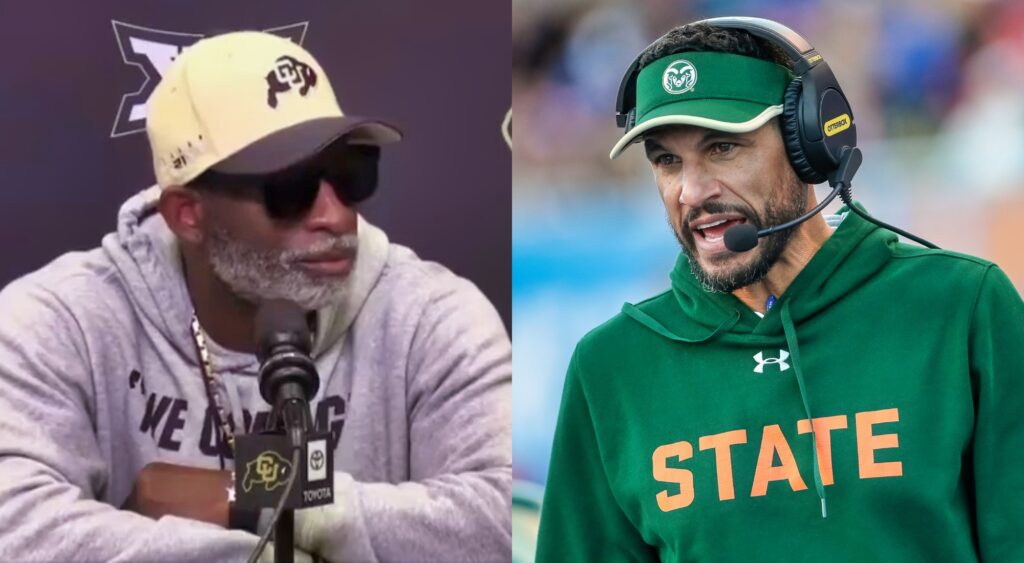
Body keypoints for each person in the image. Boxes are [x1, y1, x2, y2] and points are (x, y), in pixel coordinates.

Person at [0, 31, 511, 562]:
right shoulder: (59, 321)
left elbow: (500, 521)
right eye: (290, 187)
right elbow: (18, 530)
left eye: (351, 174)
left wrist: (254, 495)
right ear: (188, 215)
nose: (335, 216)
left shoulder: (432, 314)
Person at [535, 17, 1024, 562]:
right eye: (667, 160)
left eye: (722, 148)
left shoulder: (963, 308)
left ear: (810, 142)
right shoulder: (611, 367)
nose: (691, 191)